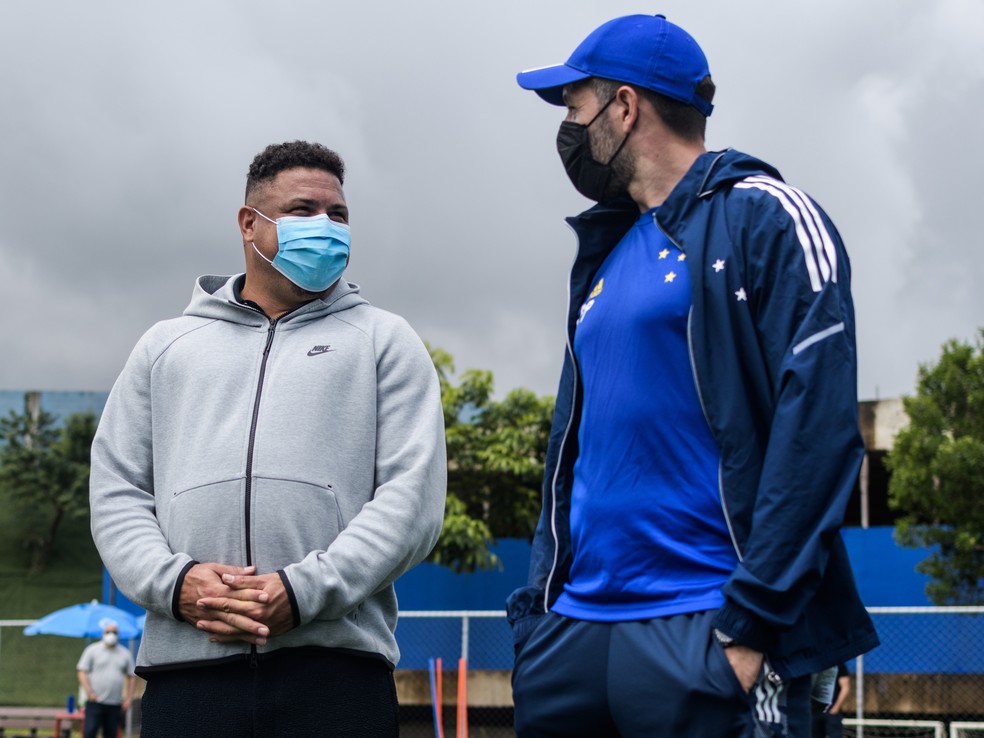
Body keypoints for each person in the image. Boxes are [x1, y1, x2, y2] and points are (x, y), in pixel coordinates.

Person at [506, 14, 879, 738]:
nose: (570, 130)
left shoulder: (765, 217)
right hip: (572, 633)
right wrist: (537, 617)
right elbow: (572, 448)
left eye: (576, 108)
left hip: (706, 625)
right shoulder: (606, 253)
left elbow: (822, 431)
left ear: (624, 105)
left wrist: (754, 626)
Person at [89, 140, 447, 737]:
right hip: (187, 675)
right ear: (249, 224)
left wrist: (303, 592)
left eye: (339, 215)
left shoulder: (386, 340)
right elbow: (117, 489)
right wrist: (176, 586)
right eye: (304, 210)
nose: (326, 228)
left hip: (338, 672)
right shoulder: (165, 347)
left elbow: (411, 501)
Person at [76, 621, 135, 738]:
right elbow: (81, 671)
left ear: (118, 635)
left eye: (114, 632)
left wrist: (128, 699)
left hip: (115, 703)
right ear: (103, 633)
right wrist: (89, 693)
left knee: (111, 734)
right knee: (90, 732)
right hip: (95, 702)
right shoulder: (92, 650)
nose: (111, 635)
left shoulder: (125, 653)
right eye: (108, 632)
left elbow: (132, 676)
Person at [811, 664, 851, 738]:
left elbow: (845, 687)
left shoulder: (839, 664)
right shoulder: (811, 664)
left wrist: (836, 707)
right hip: (814, 711)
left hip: (832, 711)